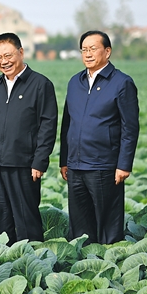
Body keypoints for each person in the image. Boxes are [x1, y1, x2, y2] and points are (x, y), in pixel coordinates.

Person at [60, 30, 139, 244]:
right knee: (79, 224)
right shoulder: (75, 82)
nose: (88, 54)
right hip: (76, 165)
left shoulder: (122, 83)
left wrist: (124, 165)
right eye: (84, 50)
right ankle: (82, 258)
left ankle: (110, 257)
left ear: (107, 51)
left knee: (107, 224)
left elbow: (130, 127)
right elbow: (67, 123)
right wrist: (64, 160)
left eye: (93, 49)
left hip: (104, 165)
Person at [0, 33, 57, 245]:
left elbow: (48, 126)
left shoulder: (41, 84)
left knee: (26, 219)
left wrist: (39, 160)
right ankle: (1, 259)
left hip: (25, 164)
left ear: (21, 52)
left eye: (8, 55)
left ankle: (31, 258)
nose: (3, 62)